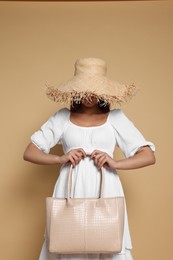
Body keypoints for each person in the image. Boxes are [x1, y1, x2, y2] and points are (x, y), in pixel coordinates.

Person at [23, 57, 156, 260]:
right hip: (70, 187)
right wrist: (60, 159)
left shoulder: (116, 118)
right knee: (67, 241)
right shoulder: (61, 117)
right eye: (83, 89)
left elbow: (148, 155)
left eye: (93, 90)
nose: (89, 96)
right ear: (75, 91)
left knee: (109, 241)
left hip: (107, 188)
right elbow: (30, 152)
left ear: (103, 92)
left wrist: (116, 162)